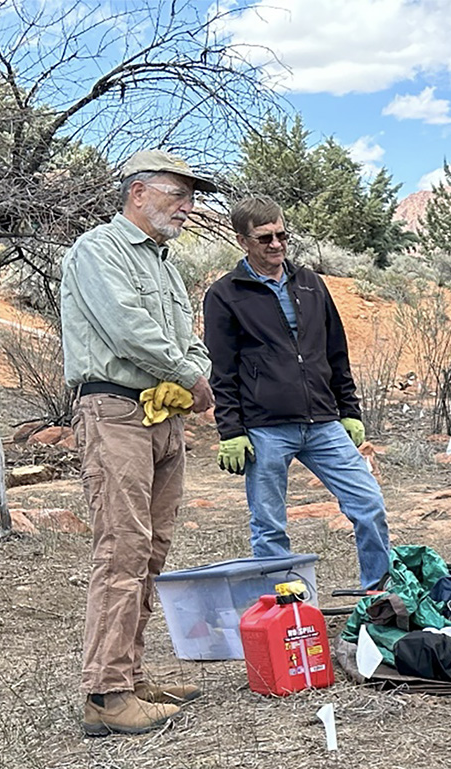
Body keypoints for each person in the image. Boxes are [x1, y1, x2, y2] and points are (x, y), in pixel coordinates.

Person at [61, 150, 217, 736]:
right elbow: (130, 332)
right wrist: (188, 374)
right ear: (138, 192)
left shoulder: (165, 264)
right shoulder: (98, 251)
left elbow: (188, 337)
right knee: (123, 550)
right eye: (178, 194)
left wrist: (192, 369)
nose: (188, 206)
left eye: (190, 196)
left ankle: (128, 675)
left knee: (151, 549)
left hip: (161, 416)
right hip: (116, 412)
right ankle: (104, 694)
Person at [203, 197, 391, 591]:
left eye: (282, 235)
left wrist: (349, 410)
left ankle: (378, 591)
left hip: (323, 422)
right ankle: (285, 609)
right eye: (265, 237)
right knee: (269, 525)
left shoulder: (310, 283)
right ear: (243, 240)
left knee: (369, 505)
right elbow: (223, 369)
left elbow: (335, 352)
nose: (276, 244)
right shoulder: (225, 294)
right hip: (265, 428)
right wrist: (231, 431)